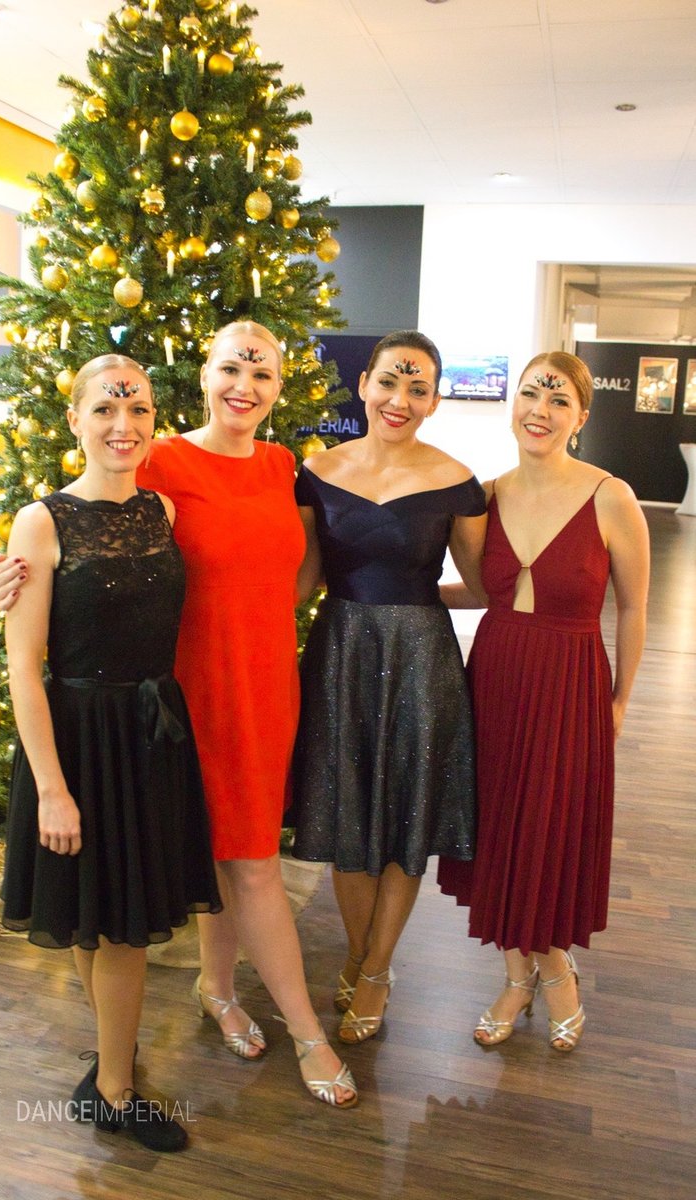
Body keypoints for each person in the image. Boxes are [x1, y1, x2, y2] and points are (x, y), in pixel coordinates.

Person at [0, 322, 357, 1109]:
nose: (243, 386)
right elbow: (81, 516)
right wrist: (2, 580)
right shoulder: (158, 460)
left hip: (264, 685)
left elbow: (301, 567)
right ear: (203, 374)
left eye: (261, 373)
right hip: (181, 694)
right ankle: (305, 1034)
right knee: (245, 862)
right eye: (229, 368)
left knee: (222, 853)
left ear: (280, 384)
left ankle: (215, 989)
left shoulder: (281, 466)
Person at [0, 354, 221, 1152]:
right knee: (111, 923)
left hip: (150, 735)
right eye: (104, 409)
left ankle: (110, 1066)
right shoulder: (41, 522)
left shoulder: (163, 506)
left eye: (138, 410)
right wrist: (52, 789)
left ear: (155, 418)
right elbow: (23, 666)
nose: (122, 425)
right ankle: (117, 1091)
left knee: (111, 916)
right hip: (79, 740)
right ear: (75, 421)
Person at [438, 351, 649, 1053]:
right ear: (513, 404)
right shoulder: (484, 497)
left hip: (570, 680)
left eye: (558, 400)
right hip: (496, 674)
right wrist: (395, 592)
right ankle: (515, 974)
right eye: (531, 393)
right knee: (500, 825)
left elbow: (634, 607)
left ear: (580, 417)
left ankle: (555, 970)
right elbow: (479, 590)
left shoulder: (610, 496)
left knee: (550, 828)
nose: (540, 409)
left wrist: (619, 701)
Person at [291, 330, 488, 1044]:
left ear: (433, 401)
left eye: (417, 388)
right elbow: (303, 579)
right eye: (389, 382)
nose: (399, 399)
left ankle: (375, 970)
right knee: (346, 812)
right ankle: (359, 955)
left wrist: (413, 604)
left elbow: (481, 587)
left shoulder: (456, 482)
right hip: (340, 654)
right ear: (364, 384)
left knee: (406, 816)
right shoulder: (316, 473)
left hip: (420, 663)